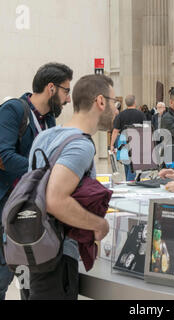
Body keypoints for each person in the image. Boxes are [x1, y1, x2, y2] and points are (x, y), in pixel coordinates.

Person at [25, 74, 115, 300]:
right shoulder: (80, 145)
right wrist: (99, 224)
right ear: (101, 102)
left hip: (31, 249)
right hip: (56, 257)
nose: (116, 110)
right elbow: (55, 200)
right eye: (115, 103)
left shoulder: (45, 136)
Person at [0, 62, 73, 301]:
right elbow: (3, 155)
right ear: (51, 88)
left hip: (31, 209)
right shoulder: (14, 110)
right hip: (6, 206)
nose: (68, 99)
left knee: (27, 275)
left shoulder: (48, 120)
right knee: (3, 274)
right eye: (65, 91)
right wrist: (43, 170)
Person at [110, 95, 146, 181]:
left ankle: (128, 182)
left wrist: (111, 145)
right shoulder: (141, 114)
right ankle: (130, 184)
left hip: (123, 142)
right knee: (132, 166)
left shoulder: (121, 115)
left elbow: (115, 131)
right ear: (134, 102)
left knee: (126, 164)